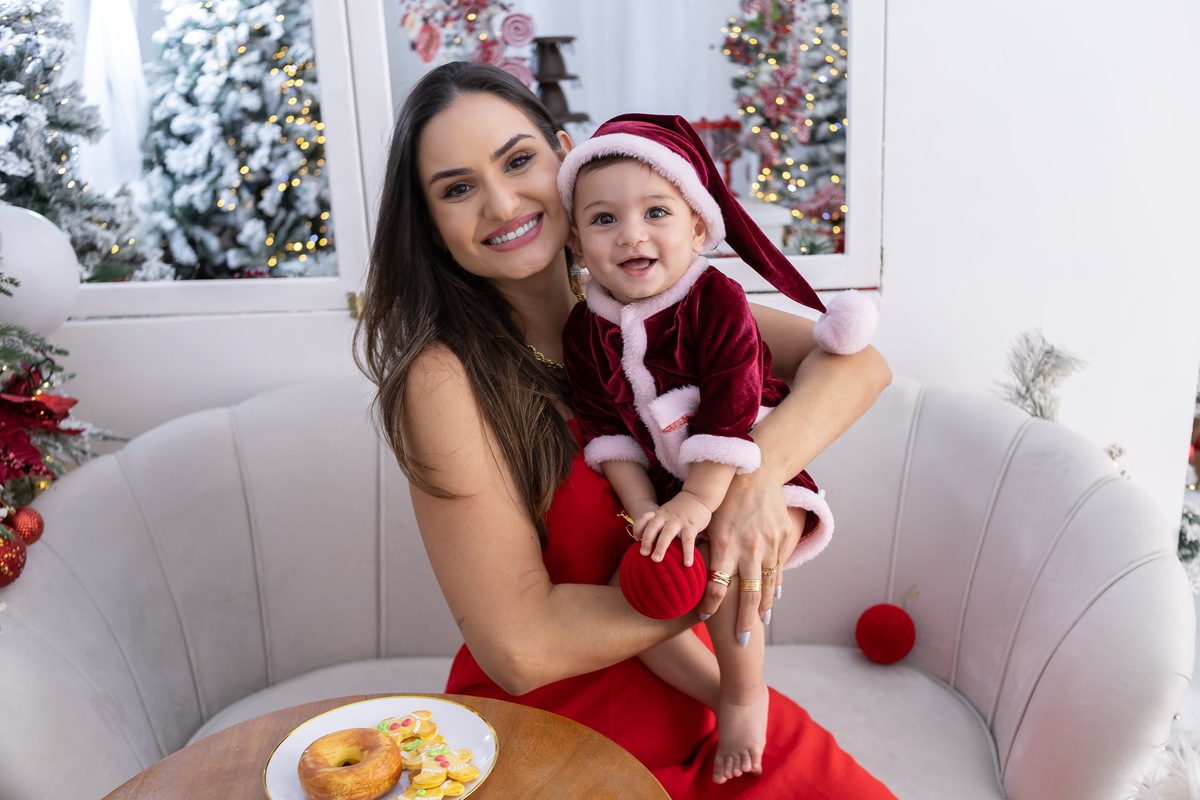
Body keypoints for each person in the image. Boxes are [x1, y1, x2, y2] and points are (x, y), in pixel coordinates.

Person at [354, 61, 895, 798]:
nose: (501, 201)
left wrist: (749, 485)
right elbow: (521, 648)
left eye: (519, 161)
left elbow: (857, 367)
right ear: (432, 226)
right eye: (457, 188)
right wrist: (711, 576)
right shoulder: (443, 380)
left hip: (709, 709)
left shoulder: (652, 304)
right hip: (554, 742)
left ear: (567, 160)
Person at [555, 113, 877, 784]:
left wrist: (706, 498)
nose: (632, 234)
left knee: (732, 570)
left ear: (698, 227)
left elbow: (737, 399)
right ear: (580, 243)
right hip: (674, 499)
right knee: (628, 591)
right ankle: (717, 691)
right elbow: (602, 425)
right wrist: (645, 506)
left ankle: (742, 695)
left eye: (656, 212)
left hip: (764, 477)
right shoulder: (586, 330)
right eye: (604, 220)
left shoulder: (715, 299)